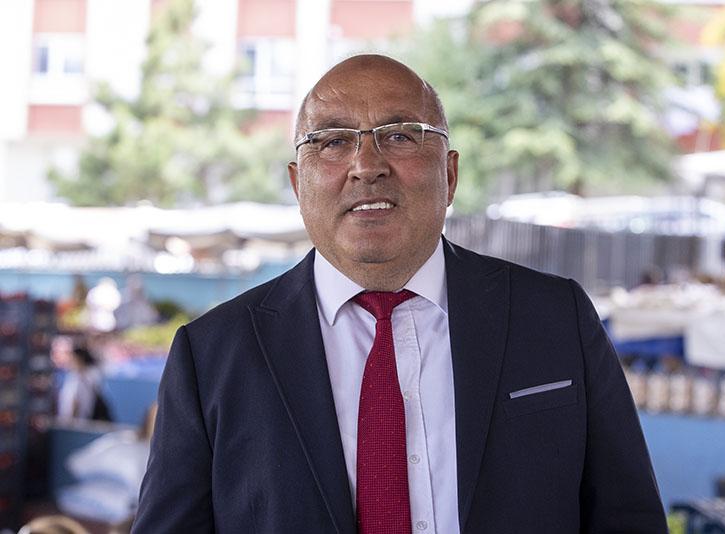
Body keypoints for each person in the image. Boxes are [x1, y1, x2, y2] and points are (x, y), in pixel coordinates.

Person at [133, 55, 667, 532]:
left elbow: (628, 517)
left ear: (449, 175)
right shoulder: (212, 355)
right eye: (333, 141)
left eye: (400, 136)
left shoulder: (555, 318)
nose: (367, 166)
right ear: (298, 185)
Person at [57, 346, 111, 422]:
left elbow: (76, 402)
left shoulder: (88, 376)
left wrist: (72, 420)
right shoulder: (72, 376)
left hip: (79, 421)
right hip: (70, 421)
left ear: (79, 359)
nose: (70, 362)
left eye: (73, 359)